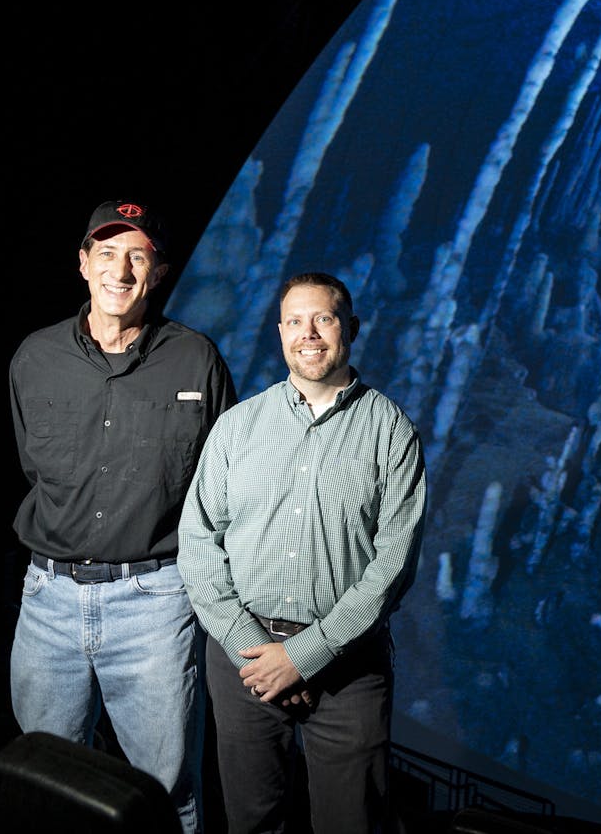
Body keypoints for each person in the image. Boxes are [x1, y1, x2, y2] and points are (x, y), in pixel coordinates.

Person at [8, 199, 236, 833]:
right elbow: (36, 468)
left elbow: (221, 489)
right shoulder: (34, 358)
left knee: (166, 792)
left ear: (159, 273)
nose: (121, 270)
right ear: (83, 264)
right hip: (47, 601)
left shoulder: (197, 361)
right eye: (106, 253)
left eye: (138, 256)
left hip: (155, 604)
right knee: (44, 783)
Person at [178, 271, 427, 834]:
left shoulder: (391, 432)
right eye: (295, 321)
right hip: (245, 665)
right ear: (280, 332)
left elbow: (394, 565)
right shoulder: (237, 428)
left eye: (324, 318)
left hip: (349, 670)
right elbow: (197, 543)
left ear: (351, 329)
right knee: (250, 821)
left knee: (351, 823)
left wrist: (305, 655)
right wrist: (252, 649)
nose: (308, 333)